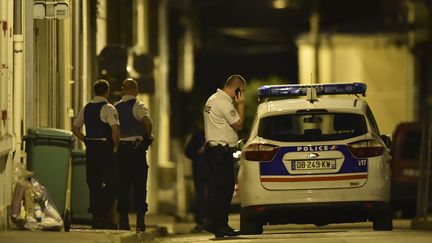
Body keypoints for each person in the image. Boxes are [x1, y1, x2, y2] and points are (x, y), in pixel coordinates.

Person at [72, 79, 120, 229]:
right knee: (113, 183)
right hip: (104, 148)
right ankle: (104, 215)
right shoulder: (109, 108)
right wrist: (115, 147)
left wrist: (85, 139)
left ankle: (96, 218)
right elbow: (115, 130)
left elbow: (75, 128)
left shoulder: (86, 108)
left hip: (91, 148)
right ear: (107, 91)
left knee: (93, 184)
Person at [202, 74, 246, 237]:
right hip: (221, 152)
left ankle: (214, 223)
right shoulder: (224, 102)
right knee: (225, 189)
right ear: (236, 89)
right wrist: (241, 104)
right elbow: (239, 124)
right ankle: (218, 224)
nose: (241, 94)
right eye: (241, 91)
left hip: (214, 151)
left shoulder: (212, 99)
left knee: (219, 188)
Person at [114, 78, 153, 232]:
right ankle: (140, 221)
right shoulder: (138, 106)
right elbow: (147, 123)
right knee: (139, 186)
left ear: (123, 90)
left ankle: (123, 221)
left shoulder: (115, 107)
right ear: (136, 90)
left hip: (121, 150)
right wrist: (147, 137)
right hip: (135, 150)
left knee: (122, 186)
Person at [184, 128, 208, 233]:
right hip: (199, 169)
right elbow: (188, 151)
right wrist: (198, 153)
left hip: (212, 170)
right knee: (200, 196)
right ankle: (200, 222)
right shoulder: (198, 135)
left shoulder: (217, 134)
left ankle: (211, 221)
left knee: (213, 195)